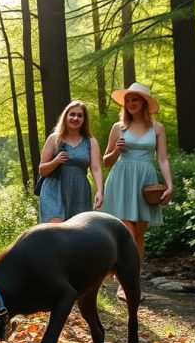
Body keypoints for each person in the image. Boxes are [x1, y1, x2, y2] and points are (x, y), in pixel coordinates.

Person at [100, 82, 173, 263]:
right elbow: (106, 161)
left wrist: (169, 186)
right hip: (122, 180)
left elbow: (163, 159)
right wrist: (117, 150)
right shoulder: (118, 127)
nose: (131, 103)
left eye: (135, 100)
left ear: (144, 103)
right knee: (128, 233)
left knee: (139, 236)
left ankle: (133, 281)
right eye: (128, 100)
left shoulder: (157, 128)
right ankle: (123, 283)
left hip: (146, 183)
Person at [38, 100, 104, 223]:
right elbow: (42, 170)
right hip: (54, 190)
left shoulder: (91, 142)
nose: (75, 118)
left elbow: (96, 168)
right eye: (72, 114)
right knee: (55, 231)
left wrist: (100, 191)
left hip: (79, 191)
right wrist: (56, 161)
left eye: (80, 115)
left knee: (77, 234)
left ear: (84, 119)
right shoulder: (54, 139)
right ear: (65, 116)